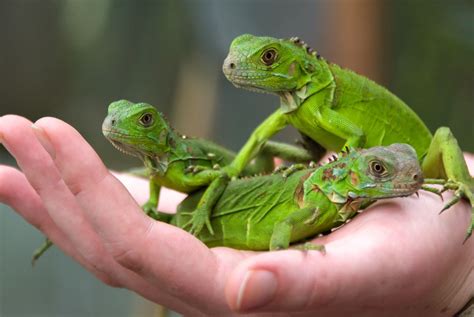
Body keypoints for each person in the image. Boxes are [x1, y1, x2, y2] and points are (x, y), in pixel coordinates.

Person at [0, 114, 472, 316]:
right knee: (127, 229)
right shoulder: (317, 202)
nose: (403, 180)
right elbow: (284, 230)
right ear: (350, 174)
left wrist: (461, 275)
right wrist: (297, 250)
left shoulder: (340, 193)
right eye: (378, 169)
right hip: (210, 223)